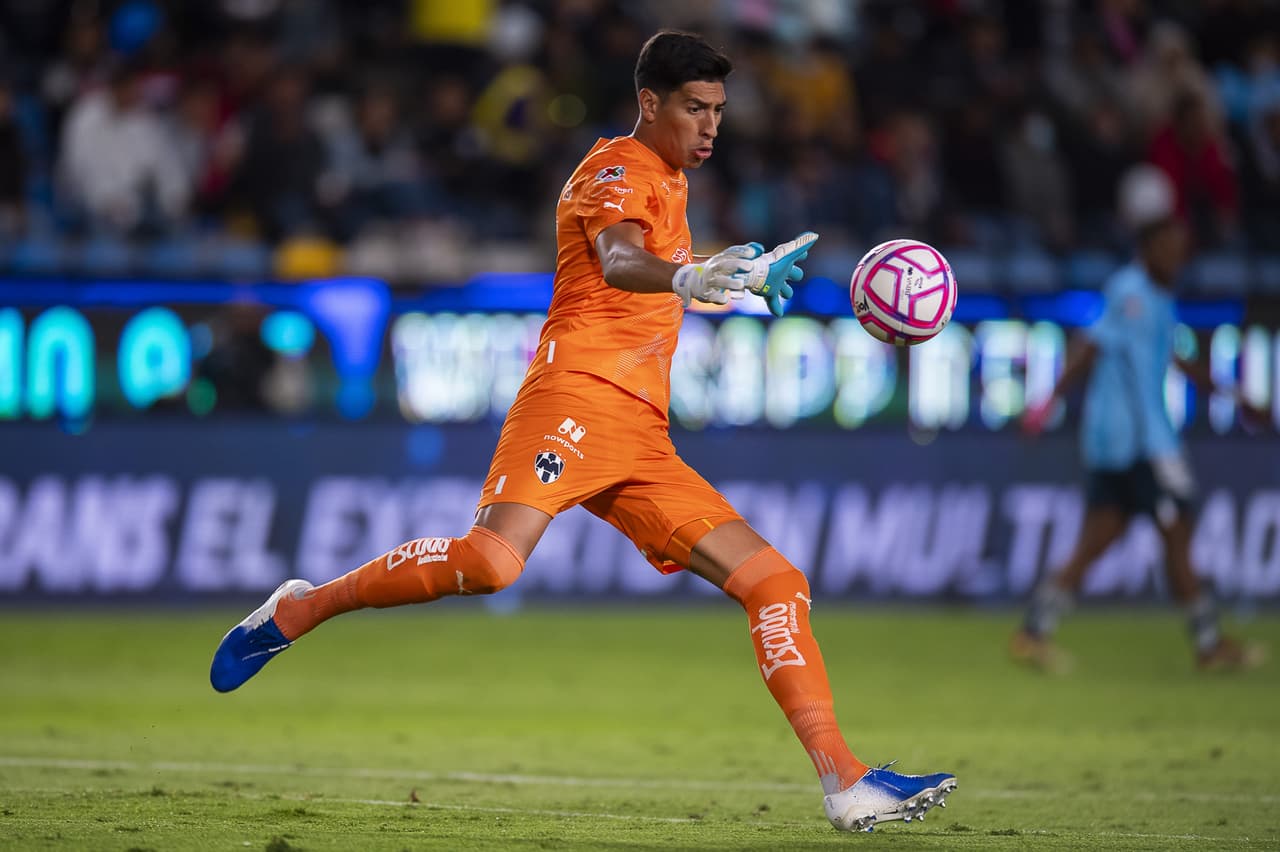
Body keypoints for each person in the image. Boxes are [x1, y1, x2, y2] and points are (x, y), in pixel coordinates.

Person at [209, 30, 955, 833]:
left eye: (720, 111)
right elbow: (616, 260)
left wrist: (725, 282)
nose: (711, 127)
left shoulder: (668, 178)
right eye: (695, 109)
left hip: (639, 434)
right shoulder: (613, 170)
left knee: (776, 584)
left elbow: (648, 284)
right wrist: (688, 276)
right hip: (573, 395)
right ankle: (301, 608)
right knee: (491, 563)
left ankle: (846, 781)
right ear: (649, 103)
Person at [1012, 166, 1266, 674]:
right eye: (1171, 245)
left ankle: (1033, 632)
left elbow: (1171, 358)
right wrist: (1048, 401)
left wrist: (1234, 396)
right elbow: (1091, 349)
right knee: (1177, 530)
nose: (1180, 253)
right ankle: (1209, 642)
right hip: (1141, 441)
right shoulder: (1131, 291)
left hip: (1117, 441)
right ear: (1148, 247)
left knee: (1100, 536)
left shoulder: (1157, 297)